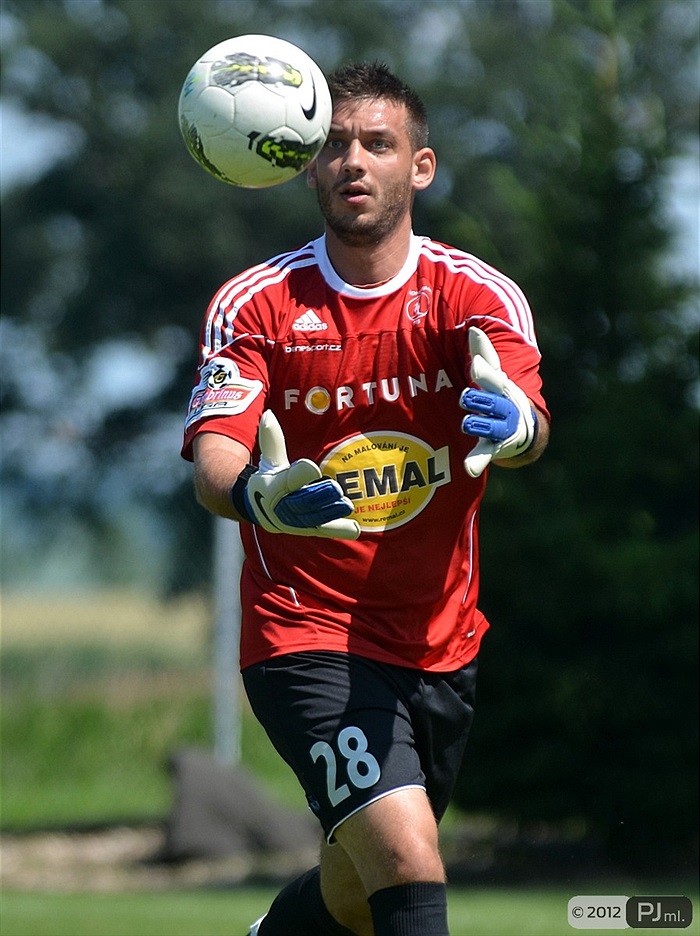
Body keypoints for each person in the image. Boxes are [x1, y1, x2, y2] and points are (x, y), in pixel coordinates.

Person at [181, 61, 549, 936]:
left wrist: (516, 428)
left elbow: (530, 424)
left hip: (439, 641)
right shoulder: (256, 305)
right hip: (304, 631)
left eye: (377, 144)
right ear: (306, 166)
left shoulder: (474, 295)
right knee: (411, 861)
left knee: (355, 893)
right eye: (334, 145)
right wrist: (259, 497)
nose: (353, 161)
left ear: (419, 167)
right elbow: (212, 465)